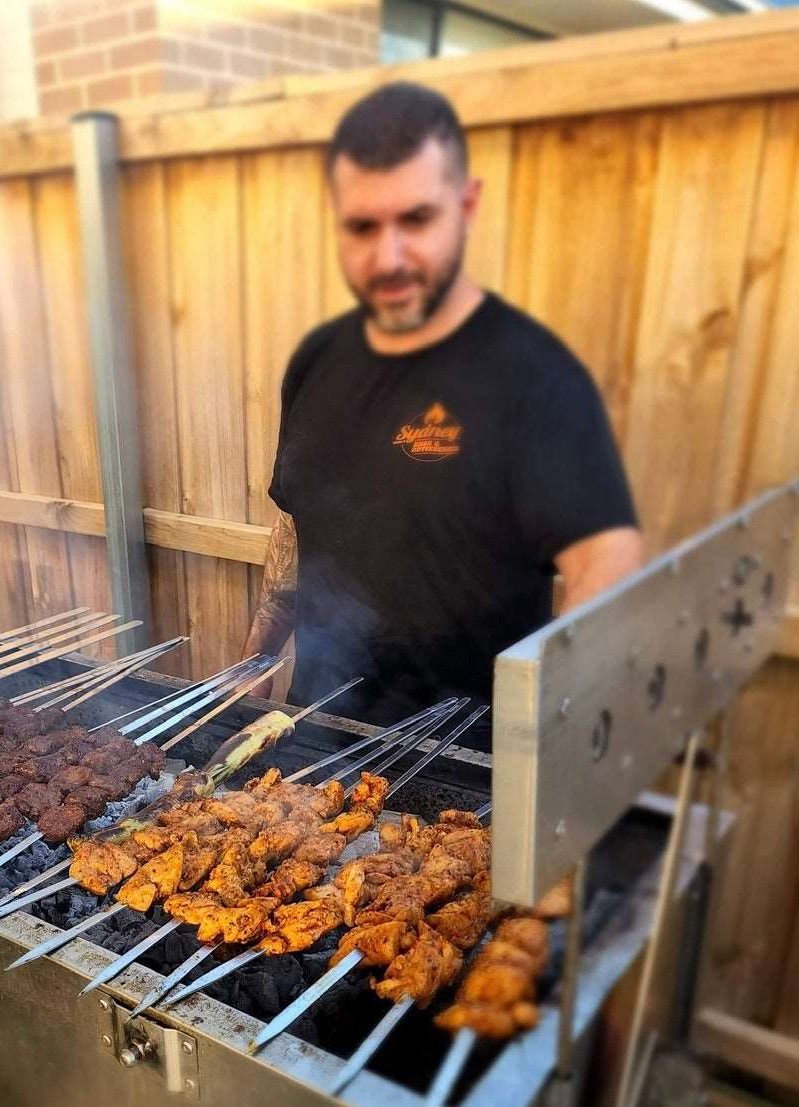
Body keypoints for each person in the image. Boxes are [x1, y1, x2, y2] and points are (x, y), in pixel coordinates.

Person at [241, 82, 642, 745]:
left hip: (462, 767)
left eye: (417, 219)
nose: (390, 255)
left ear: (465, 206)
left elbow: (605, 566)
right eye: (364, 225)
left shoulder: (537, 379)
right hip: (313, 738)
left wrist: (544, 741)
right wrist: (256, 659)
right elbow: (293, 523)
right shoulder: (315, 361)